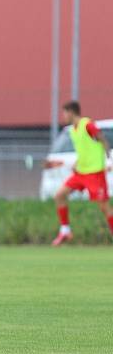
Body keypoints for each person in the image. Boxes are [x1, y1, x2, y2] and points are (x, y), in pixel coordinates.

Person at [52, 101, 113, 246]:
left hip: (95, 174)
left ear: (71, 112)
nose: (63, 116)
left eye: (65, 112)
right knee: (59, 195)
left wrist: (108, 155)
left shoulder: (87, 124)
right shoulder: (72, 130)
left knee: (104, 207)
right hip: (81, 173)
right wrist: (77, 162)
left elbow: (101, 137)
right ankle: (65, 230)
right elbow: (86, 149)